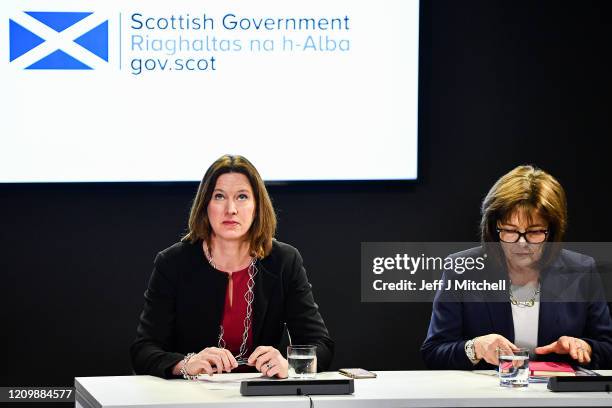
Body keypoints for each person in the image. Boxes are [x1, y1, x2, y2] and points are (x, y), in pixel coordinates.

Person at [130, 154, 334, 379]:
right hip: (192, 395)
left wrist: (291, 365)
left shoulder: (284, 260)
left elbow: (320, 345)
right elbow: (143, 350)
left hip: (263, 395)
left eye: (242, 197)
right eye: (219, 196)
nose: (231, 209)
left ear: (257, 206)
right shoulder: (173, 262)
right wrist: (186, 364)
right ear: (205, 205)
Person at [421, 165, 612, 369]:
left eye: (535, 232)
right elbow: (433, 352)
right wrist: (475, 347)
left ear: (552, 232)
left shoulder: (582, 270)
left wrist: (585, 347)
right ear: (494, 229)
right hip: (486, 397)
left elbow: (607, 347)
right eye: (510, 231)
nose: (522, 243)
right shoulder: (462, 270)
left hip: (557, 397)